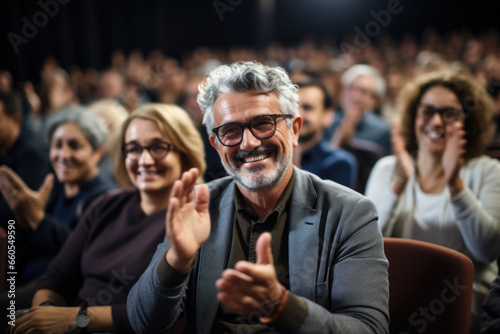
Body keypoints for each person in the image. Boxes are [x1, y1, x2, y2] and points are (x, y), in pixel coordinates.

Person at [127, 61, 389, 333]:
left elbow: (369, 329)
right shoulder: (196, 207)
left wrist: (281, 306)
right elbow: (142, 322)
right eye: (230, 130)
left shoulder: (350, 213)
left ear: (295, 130)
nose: (248, 143)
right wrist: (177, 260)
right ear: (216, 145)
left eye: (263, 124)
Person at [12, 104, 206, 333]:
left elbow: (166, 315)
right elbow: (57, 276)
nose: (143, 160)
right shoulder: (107, 204)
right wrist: (45, 314)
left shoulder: (194, 221)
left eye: (158, 148)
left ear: (184, 154)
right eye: (133, 149)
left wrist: (77, 319)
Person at [365, 71, 500, 334]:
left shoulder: (488, 170)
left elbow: (488, 250)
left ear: (468, 123)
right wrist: (399, 183)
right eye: (427, 111)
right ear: (413, 117)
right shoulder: (387, 169)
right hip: (396, 298)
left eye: (449, 113)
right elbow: (366, 245)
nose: (436, 122)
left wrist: (455, 184)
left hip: (463, 307)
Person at [294, 80, 357, 188]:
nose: (298, 114)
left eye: (307, 107)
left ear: (327, 116)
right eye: (293, 107)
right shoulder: (273, 157)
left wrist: (294, 173)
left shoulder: (339, 163)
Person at [324, 64, 392, 156]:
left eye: (363, 91)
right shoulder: (328, 123)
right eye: (350, 88)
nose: (354, 96)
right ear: (342, 92)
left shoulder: (383, 131)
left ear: (374, 101)